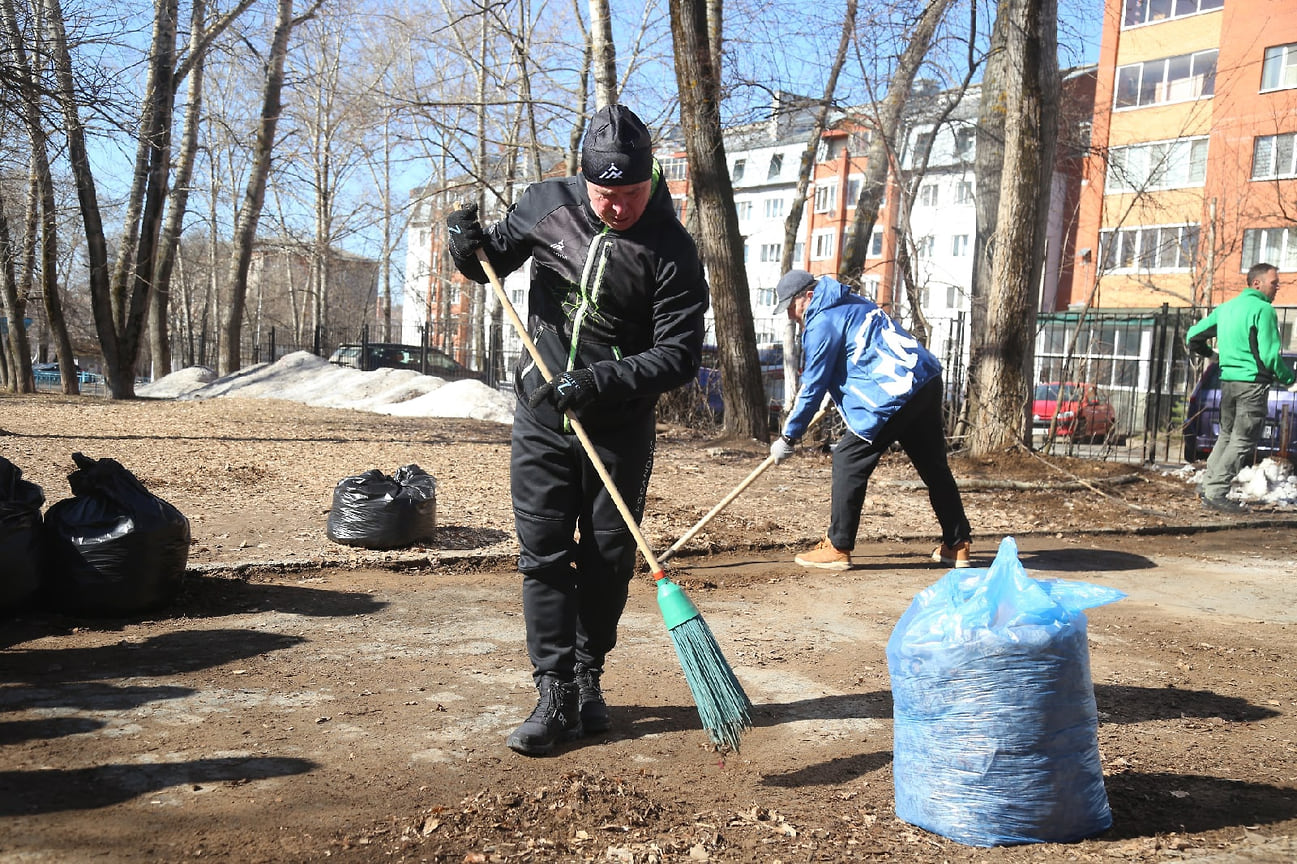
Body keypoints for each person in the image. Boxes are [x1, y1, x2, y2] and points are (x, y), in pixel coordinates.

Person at [444, 104, 709, 756]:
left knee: (607, 559)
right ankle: (553, 690)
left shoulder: (671, 251)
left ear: (650, 179)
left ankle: (589, 676)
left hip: (617, 426)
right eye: (603, 194)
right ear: (583, 181)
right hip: (541, 415)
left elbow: (677, 357)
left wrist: (596, 383)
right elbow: (491, 264)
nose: (616, 206)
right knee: (541, 555)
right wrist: (466, 251)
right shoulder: (546, 204)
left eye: (630, 193)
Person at [768, 270, 972, 571]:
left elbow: (811, 387)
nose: (790, 315)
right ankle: (957, 545)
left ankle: (838, 547)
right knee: (933, 466)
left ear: (808, 297)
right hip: (924, 380)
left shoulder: (821, 320)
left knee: (848, 459)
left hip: (892, 395)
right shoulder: (853, 302)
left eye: (790, 307)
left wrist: (789, 437)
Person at [1186, 263, 1295, 513]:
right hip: (1252, 385)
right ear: (1257, 283)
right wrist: (1289, 380)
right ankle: (1216, 491)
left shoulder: (1226, 309)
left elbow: (1193, 336)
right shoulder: (1263, 310)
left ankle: (1208, 486)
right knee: (1243, 440)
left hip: (1228, 382)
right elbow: (1269, 355)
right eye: (1274, 282)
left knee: (1227, 435)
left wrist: (1211, 355)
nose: (1277, 287)